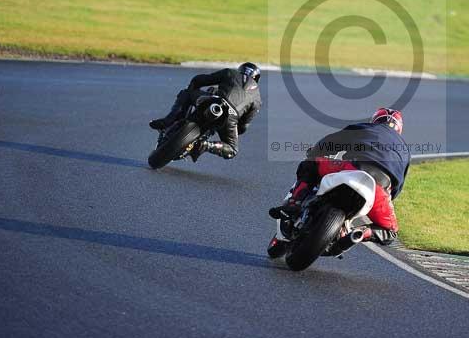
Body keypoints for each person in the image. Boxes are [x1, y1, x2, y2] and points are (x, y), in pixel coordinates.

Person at [268, 107, 410, 251]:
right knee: (390, 232)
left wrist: (316, 152)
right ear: (399, 129)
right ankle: (359, 233)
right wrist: (384, 200)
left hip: (352, 168)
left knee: (311, 163)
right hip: (379, 188)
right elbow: (396, 189)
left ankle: (294, 203)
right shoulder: (405, 150)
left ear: (375, 120)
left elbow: (332, 141)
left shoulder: (366, 127)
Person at [149, 62, 262, 161]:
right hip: (231, 116)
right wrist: (232, 128)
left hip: (212, 100)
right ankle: (206, 145)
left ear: (240, 70)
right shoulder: (257, 99)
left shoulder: (230, 72)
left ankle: (169, 120)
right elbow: (243, 126)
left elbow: (200, 80)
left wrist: (193, 88)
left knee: (187, 93)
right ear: (257, 79)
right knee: (232, 149)